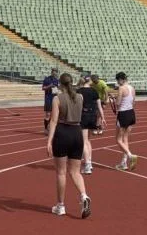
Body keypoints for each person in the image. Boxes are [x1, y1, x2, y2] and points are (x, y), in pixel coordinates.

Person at [46, 72, 91, 218]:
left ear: (60, 84)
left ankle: (60, 206)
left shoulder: (57, 98)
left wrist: (49, 141)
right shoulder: (80, 97)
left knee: (61, 172)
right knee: (76, 172)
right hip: (77, 133)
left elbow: (53, 121)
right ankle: (84, 195)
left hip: (63, 133)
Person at [78, 75, 105, 174]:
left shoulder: (79, 91)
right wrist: (103, 118)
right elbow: (99, 106)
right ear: (90, 81)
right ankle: (89, 162)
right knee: (88, 140)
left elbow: (77, 106)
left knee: (84, 141)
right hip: (93, 116)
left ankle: (87, 165)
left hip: (84, 115)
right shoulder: (94, 91)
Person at [112, 72, 138, 171]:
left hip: (123, 114)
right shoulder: (132, 88)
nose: (117, 82)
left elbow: (118, 103)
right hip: (131, 113)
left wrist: (114, 99)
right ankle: (124, 163)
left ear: (121, 79)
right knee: (125, 139)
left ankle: (130, 156)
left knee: (118, 140)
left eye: (117, 80)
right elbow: (133, 102)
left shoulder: (121, 88)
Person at [42, 68, 60, 135]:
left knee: (55, 115)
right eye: (54, 72)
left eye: (56, 72)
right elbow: (43, 88)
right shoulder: (47, 79)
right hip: (48, 99)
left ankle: (53, 128)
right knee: (48, 114)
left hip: (55, 99)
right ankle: (46, 128)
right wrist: (49, 86)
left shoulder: (56, 80)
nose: (55, 73)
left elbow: (56, 89)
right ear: (51, 72)